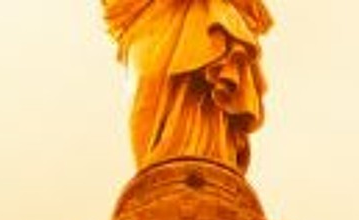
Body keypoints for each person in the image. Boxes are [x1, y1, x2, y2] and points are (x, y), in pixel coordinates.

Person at [101, 0, 275, 175]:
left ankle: (205, 177)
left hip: (203, 14)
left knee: (203, 92)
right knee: (147, 85)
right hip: (149, 15)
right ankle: (156, 180)